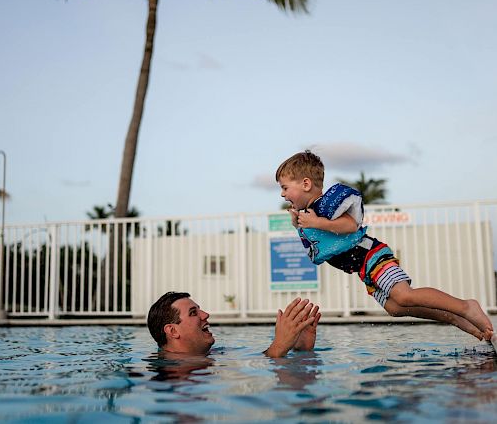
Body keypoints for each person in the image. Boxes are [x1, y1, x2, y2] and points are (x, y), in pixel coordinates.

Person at [275, 150, 494, 341]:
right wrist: (300, 226)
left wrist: (316, 222)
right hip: (363, 269)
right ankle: (454, 317)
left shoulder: (327, 206)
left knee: (404, 295)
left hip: (372, 255)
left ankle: (466, 306)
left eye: (285, 187)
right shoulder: (308, 216)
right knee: (395, 308)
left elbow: (351, 226)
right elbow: (318, 247)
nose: (282, 194)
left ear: (306, 184)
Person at [147, 291, 321, 357]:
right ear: (173, 331)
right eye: (193, 313)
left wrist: (301, 351)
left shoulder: (215, 355)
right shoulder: (173, 376)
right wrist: (278, 348)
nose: (205, 314)